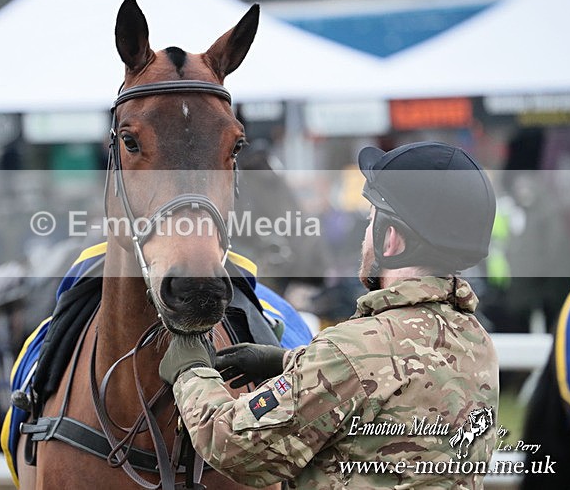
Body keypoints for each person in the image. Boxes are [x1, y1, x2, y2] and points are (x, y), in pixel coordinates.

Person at [159, 141, 499, 488]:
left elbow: (230, 442)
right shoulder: (475, 342)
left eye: (371, 222)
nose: (366, 236)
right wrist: (291, 361)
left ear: (391, 239)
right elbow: (390, 378)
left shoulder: (354, 351)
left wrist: (191, 371)